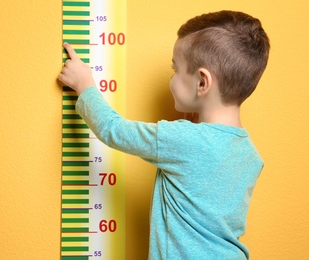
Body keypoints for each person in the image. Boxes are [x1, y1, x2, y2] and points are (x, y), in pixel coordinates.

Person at [58, 10, 270, 260]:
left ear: (202, 82)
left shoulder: (181, 139)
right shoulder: (249, 155)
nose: (171, 78)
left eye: (175, 69)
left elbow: (112, 129)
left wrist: (85, 85)